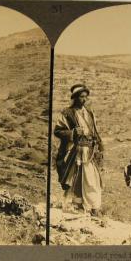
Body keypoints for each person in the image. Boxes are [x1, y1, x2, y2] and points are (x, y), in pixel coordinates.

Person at [54, 84, 104, 217]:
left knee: (92, 179)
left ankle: (93, 207)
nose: (84, 99)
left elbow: (95, 132)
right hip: (75, 151)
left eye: (86, 97)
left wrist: (99, 145)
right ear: (75, 98)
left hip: (89, 152)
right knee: (76, 178)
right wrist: (73, 132)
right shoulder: (67, 113)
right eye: (81, 97)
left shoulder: (89, 113)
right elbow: (57, 131)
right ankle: (76, 205)